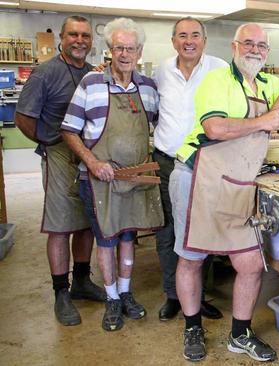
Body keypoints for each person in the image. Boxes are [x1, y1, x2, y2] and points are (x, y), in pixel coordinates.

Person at [171, 23, 279, 362]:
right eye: (247, 43)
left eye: (261, 45)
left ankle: (240, 334)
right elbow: (215, 127)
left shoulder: (267, 82)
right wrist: (265, 120)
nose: (254, 50)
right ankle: (192, 327)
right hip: (198, 178)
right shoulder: (218, 80)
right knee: (191, 260)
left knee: (250, 264)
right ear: (235, 47)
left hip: (238, 183)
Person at [61, 17, 162, 332]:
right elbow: (69, 130)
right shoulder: (91, 84)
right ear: (110, 50)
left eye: (130, 48)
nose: (124, 54)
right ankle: (111, 299)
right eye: (119, 47)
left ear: (139, 51)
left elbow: (158, 126)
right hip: (99, 180)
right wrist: (92, 162)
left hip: (134, 179)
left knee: (128, 235)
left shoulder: (147, 87)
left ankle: (126, 292)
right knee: (106, 240)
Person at [14, 15, 104, 326]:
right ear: (61, 39)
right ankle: (61, 292)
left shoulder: (94, 74)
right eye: (73, 35)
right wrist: (48, 142)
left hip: (87, 156)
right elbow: (23, 117)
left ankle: (81, 280)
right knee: (59, 225)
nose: (80, 40)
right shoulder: (45, 73)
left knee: (85, 222)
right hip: (59, 155)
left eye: (85, 36)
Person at [152, 17, 228, 322]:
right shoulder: (161, 71)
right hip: (167, 160)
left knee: (202, 230)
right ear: (173, 42)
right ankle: (173, 295)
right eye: (182, 35)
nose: (189, 41)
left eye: (195, 35)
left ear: (204, 41)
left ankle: (197, 295)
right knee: (168, 229)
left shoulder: (219, 68)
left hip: (205, 161)